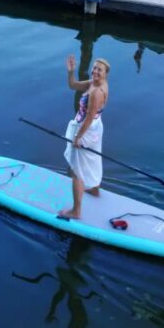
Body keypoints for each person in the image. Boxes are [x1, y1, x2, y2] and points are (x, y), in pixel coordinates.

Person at [59, 54, 110, 220]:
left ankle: (76, 211)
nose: (95, 71)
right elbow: (72, 85)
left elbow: (88, 117)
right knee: (93, 159)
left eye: (99, 70)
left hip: (86, 130)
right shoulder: (94, 84)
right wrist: (71, 71)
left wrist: (77, 138)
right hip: (95, 127)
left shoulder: (96, 92)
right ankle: (94, 189)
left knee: (76, 170)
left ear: (105, 73)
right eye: (94, 68)